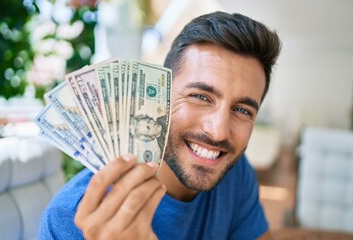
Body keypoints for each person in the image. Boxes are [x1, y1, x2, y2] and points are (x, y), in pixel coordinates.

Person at [39, 11, 281, 239]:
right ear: (160, 97)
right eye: (200, 96)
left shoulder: (234, 173)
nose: (218, 131)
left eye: (242, 110)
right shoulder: (70, 220)